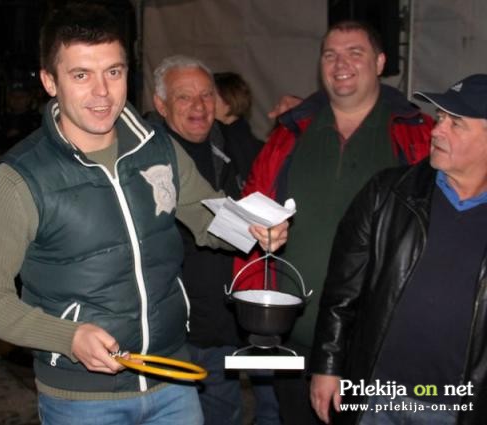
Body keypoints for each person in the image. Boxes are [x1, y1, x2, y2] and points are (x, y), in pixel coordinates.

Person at [0, 5, 287, 424]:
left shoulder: (158, 148)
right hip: (84, 398)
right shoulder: (20, 179)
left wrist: (253, 229)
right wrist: (67, 337)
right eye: (81, 75)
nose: (102, 92)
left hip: (172, 377)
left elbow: (206, 216)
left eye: (113, 72)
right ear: (49, 81)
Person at [234, 20, 434, 424]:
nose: (340, 64)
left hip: (378, 340)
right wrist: (252, 230)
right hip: (293, 334)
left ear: (380, 62)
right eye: (330, 55)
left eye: (355, 53)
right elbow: (249, 211)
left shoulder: (419, 137)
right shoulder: (290, 133)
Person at [309, 73, 487, 425]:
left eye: (456, 123)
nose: (437, 130)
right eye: (440, 117)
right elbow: (342, 292)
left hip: (457, 408)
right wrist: (327, 366)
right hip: (376, 396)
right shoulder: (388, 194)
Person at [152, 57, 276, 424]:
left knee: (226, 413)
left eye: (206, 95)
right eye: (184, 97)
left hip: (226, 325)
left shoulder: (235, 146)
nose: (199, 106)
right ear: (161, 105)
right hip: (171, 332)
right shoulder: (144, 158)